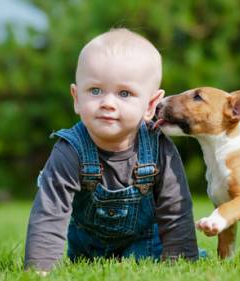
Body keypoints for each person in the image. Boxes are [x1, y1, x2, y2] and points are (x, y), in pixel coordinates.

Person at [24, 28, 199, 274]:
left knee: (184, 254)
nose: (107, 102)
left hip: (147, 248)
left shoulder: (158, 147)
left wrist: (183, 264)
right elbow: (50, 211)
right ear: (76, 97)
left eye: (124, 93)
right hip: (88, 254)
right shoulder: (69, 150)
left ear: (150, 105)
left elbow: (175, 210)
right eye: (95, 91)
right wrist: (39, 270)